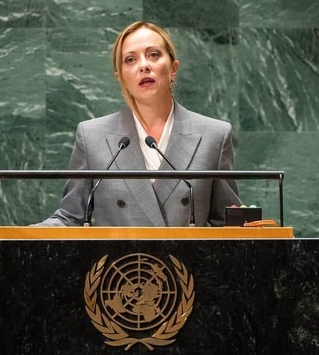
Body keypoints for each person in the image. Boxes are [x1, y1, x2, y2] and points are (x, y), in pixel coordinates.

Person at [37, 21, 240, 227]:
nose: (144, 65)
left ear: (173, 68)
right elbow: (70, 218)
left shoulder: (214, 136)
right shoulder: (91, 137)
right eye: (130, 59)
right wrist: (20, 235)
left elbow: (228, 224)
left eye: (153, 55)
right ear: (121, 77)